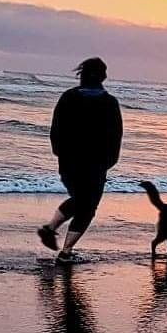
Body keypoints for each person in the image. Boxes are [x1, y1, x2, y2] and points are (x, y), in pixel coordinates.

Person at [37, 57, 123, 261]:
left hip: (69, 161)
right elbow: (116, 135)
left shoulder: (68, 97)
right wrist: (110, 160)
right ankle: (64, 250)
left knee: (80, 201)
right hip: (96, 163)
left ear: (82, 75)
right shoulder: (109, 102)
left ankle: (52, 231)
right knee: (87, 206)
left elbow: (55, 129)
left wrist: (59, 153)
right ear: (104, 77)